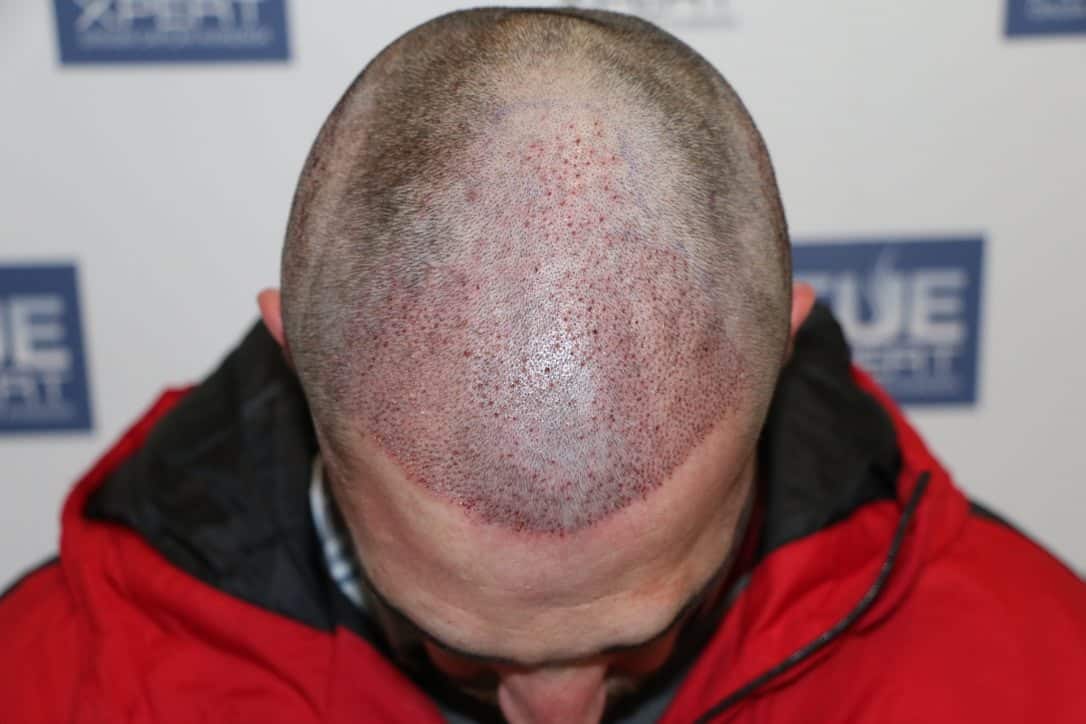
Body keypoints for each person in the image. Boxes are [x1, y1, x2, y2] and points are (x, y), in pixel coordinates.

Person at [2, 7, 1084, 724]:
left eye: (648, 635)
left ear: (778, 352)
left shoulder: (1030, 675)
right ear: (302, 366)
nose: (556, 715)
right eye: (452, 644)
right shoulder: (56, 686)